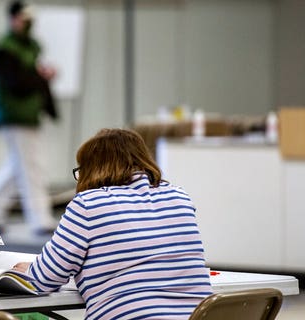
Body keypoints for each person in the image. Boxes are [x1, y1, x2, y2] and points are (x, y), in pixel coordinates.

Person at [12, 128, 213, 319]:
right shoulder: (180, 197)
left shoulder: (88, 204)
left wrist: (26, 271)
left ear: (92, 169)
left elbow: (44, 279)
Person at [0, 0, 59, 236]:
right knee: (31, 168)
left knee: (17, 166)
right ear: (12, 19)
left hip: (29, 115)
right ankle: (40, 218)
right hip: (14, 115)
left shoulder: (30, 47)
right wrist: (41, 78)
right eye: (22, 18)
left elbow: (29, 77)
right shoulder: (6, 49)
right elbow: (15, 82)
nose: (26, 23)